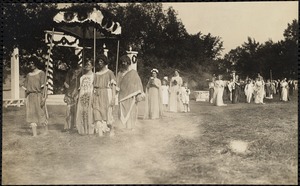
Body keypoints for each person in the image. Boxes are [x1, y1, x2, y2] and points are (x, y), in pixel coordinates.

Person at [117, 55, 145, 130]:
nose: (124, 63)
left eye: (125, 62)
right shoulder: (120, 73)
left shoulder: (133, 73)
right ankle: (122, 126)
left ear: (128, 63)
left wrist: (139, 94)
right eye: (122, 62)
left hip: (131, 95)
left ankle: (131, 126)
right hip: (122, 95)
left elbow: (138, 84)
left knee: (132, 110)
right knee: (122, 110)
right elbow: (117, 83)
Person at [22, 57, 48, 136]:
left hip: (38, 95)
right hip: (30, 96)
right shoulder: (28, 75)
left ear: (36, 63)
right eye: (30, 63)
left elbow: (44, 87)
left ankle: (45, 131)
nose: (31, 65)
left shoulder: (41, 73)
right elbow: (26, 89)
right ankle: (34, 134)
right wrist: (25, 99)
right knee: (31, 114)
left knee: (41, 113)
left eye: (33, 63)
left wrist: (44, 98)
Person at [92, 55, 116, 137]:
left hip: (106, 93)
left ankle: (111, 129)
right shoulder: (96, 74)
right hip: (97, 95)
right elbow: (93, 86)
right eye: (98, 61)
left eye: (101, 61)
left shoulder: (110, 72)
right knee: (97, 111)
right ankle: (100, 131)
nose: (100, 62)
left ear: (105, 62)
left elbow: (113, 86)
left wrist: (113, 98)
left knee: (107, 113)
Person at [63, 57, 82, 133]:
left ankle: (76, 126)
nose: (72, 63)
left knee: (77, 109)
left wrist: (78, 91)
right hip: (70, 92)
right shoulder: (70, 71)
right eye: (71, 61)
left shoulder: (81, 71)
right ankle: (68, 126)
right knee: (69, 110)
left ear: (77, 61)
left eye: (74, 61)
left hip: (78, 92)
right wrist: (66, 93)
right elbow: (66, 83)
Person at [76, 60, 95, 135]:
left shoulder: (94, 76)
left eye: (89, 64)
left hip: (90, 95)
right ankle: (82, 130)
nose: (87, 66)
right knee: (82, 112)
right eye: (86, 64)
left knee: (89, 112)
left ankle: (89, 130)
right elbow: (79, 88)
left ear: (92, 66)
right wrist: (78, 96)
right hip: (82, 95)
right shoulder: (82, 77)